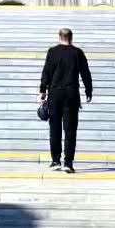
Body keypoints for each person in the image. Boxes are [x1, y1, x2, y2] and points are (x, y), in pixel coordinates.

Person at [39, 28, 93, 174]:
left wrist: (42, 91)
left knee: (54, 128)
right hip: (71, 95)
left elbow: (47, 71)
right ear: (71, 38)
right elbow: (85, 73)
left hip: (55, 94)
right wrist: (89, 90)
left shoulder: (52, 52)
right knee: (70, 130)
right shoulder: (77, 53)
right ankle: (68, 163)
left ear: (59, 37)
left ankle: (55, 161)